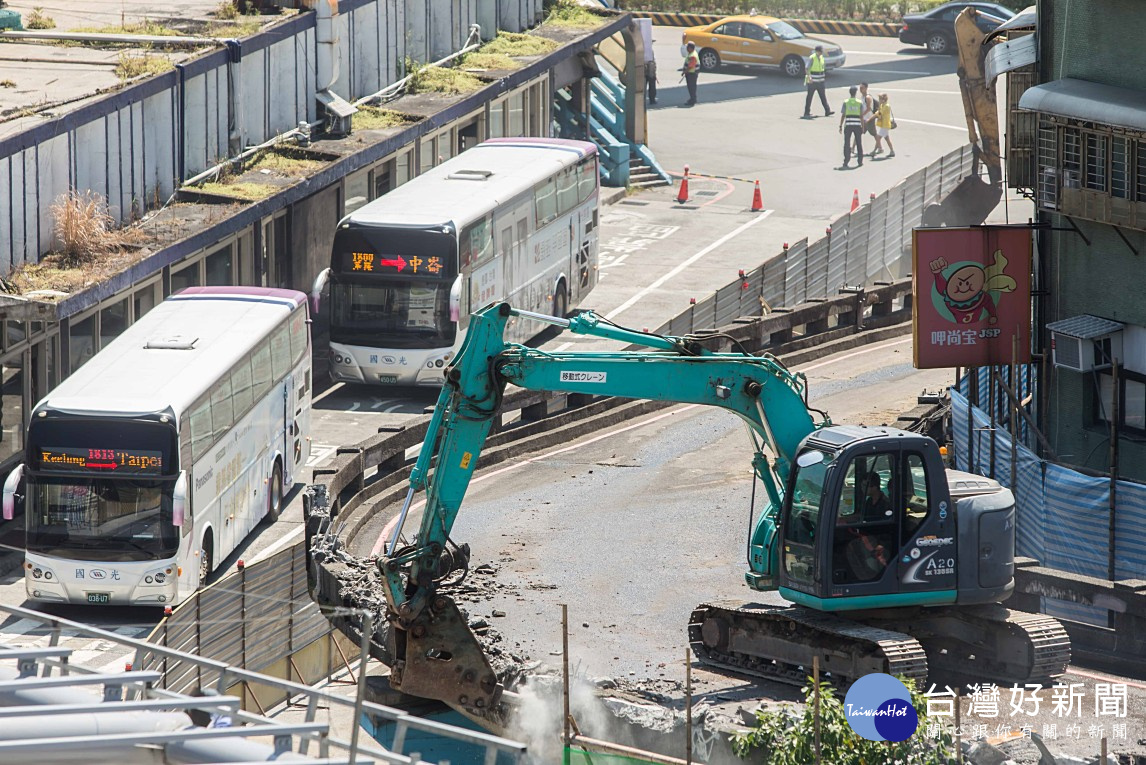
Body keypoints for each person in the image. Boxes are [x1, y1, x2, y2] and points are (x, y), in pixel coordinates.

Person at [838, 85, 864, 168]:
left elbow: (843, 115)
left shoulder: (846, 102)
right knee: (859, 143)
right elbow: (861, 116)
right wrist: (862, 126)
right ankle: (860, 161)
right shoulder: (859, 102)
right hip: (857, 124)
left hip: (848, 124)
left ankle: (846, 161)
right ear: (856, 93)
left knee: (847, 143)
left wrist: (840, 125)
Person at [802, 45, 832, 118]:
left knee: (823, 96)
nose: (822, 53)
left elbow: (822, 68)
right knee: (809, 97)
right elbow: (806, 68)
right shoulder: (812, 58)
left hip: (821, 80)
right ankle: (806, 112)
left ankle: (827, 111)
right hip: (813, 81)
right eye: (821, 51)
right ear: (817, 51)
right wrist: (809, 77)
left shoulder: (821, 58)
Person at [872, 92, 896, 158]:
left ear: (883, 100)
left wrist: (879, 106)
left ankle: (874, 151)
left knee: (878, 138)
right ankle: (892, 151)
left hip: (885, 125)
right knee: (887, 139)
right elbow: (878, 113)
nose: (879, 100)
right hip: (884, 125)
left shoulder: (886, 106)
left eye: (880, 99)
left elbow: (880, 113)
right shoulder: (883, 105)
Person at [682, 42, 699, 106]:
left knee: (691, 87)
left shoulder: (693, 56)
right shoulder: (692, 53)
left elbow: (691, 65)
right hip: (691, 73)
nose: (686, 48)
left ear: (690, 48)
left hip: (691, 74)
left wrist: (685, 71)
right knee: (692, 87)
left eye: (687, 47)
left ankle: (692, 100)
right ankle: (693, 98)